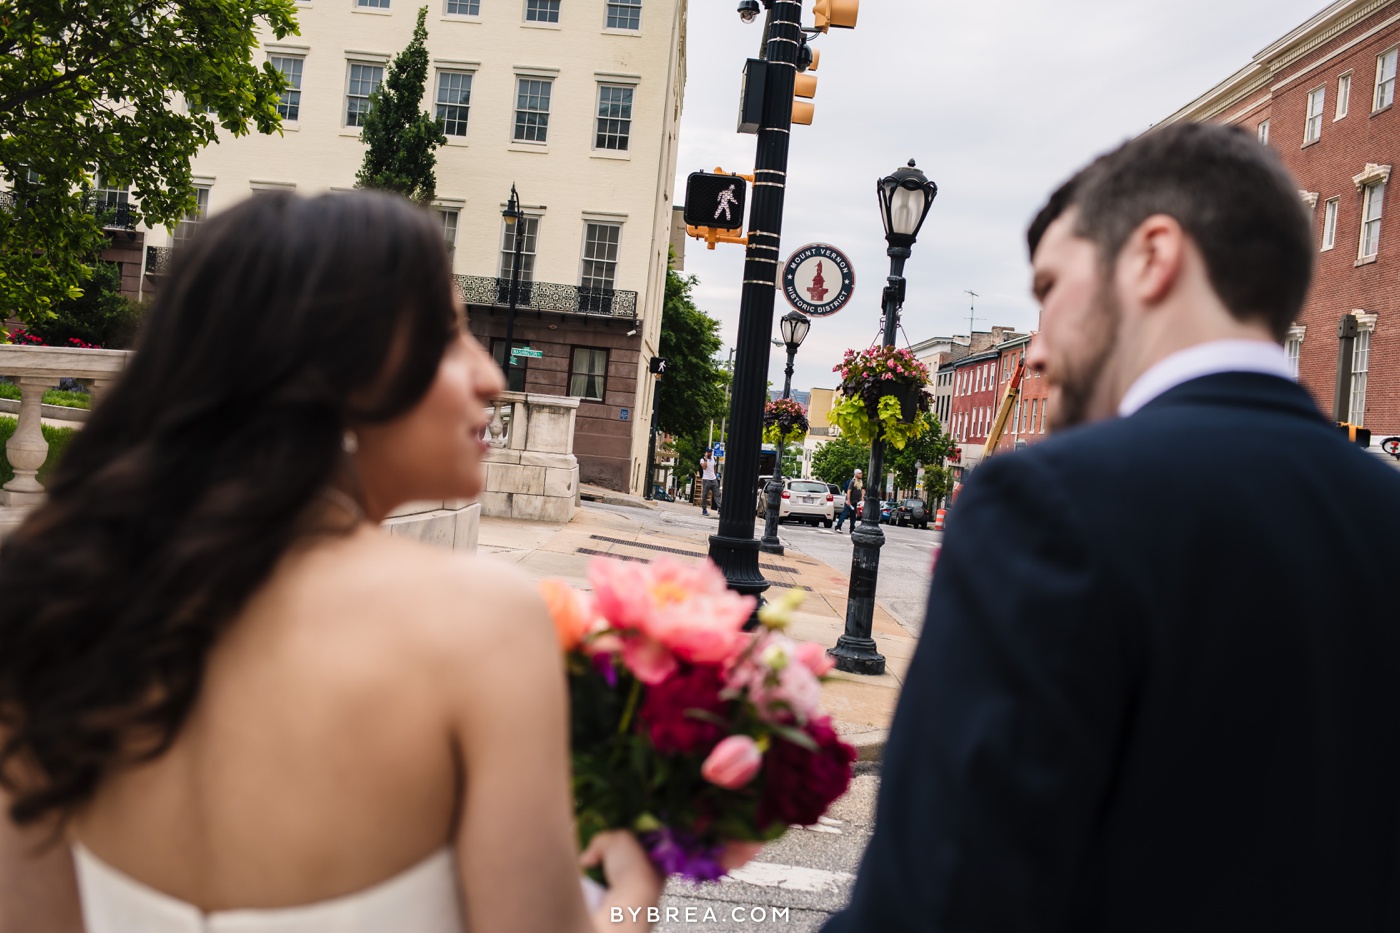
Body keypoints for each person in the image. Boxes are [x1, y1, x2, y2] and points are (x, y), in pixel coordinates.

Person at [0, 192, 663, 932]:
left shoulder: (51, 601)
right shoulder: (479, 625)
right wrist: (637, 883)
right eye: (448, 336)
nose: (490, 377)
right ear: (335, 369)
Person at [825, 122, 1400, 932]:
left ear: (1152, 258)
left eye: (1052, 290)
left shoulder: (1051, 505)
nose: (1036, 351)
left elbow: (934, 903)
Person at [699, 450, 720, 516]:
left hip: (713, 479)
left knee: (717, 494)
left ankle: (720, 508)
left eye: (710, 452)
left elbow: (714, 468)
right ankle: (704, 509)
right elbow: (704, 468)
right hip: (706, 479)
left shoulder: (713, 458)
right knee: (705, 495)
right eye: (708, 452)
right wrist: (706, 459)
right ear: (706, 453)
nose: (709, 453)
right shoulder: (702, 460)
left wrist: (715, 476)